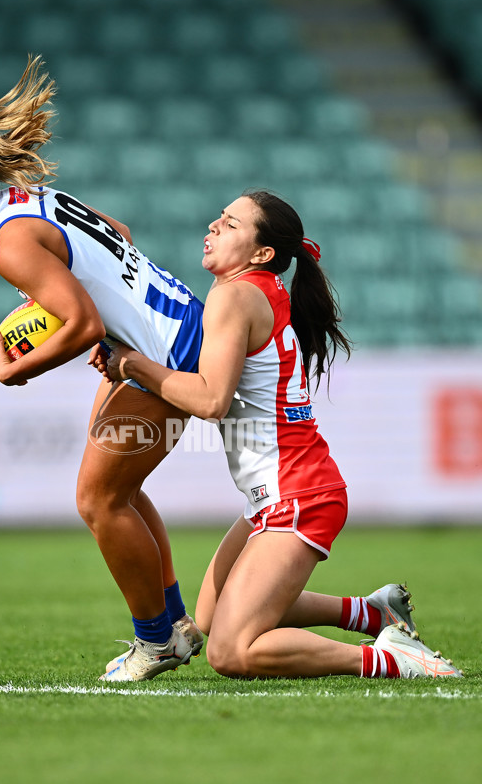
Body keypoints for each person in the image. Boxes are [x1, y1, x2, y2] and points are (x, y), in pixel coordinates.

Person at [0, 55, 205, 682]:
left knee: (98, 500)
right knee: (119, 493)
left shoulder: (10, 246)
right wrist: (107, 320)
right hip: (174, 327)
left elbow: (83, 325)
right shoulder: (31, 201)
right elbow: (119, 233)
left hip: (165, 351)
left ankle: (156, 641)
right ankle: (175, 624)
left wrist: (18, 372)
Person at [104, 189, 463, 680]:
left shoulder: (234, 295)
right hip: (283, 491)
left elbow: (211, 401)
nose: (213, 226)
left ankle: (393, 659)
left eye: (231, 224)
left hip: (297, 494)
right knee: (209, 616)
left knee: (231, 652)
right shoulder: (259, 289)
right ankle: (371, 614)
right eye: (220, 217)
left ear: (262, 253)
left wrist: (132, 364)